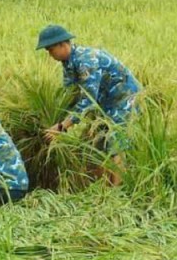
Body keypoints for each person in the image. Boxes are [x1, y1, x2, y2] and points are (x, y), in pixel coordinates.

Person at [36, 24, 142, 186]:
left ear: (63, 45)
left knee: (116, 145)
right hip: (105, 104)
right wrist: (56, 120)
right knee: (97, 145)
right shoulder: (69, 63)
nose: (49, 55)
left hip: (123, 101)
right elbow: (70, 95)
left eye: (50, 50)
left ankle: (117, 193)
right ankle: (102, 189)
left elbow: (87, 100)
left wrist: (63, 126)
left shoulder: (86, 60)